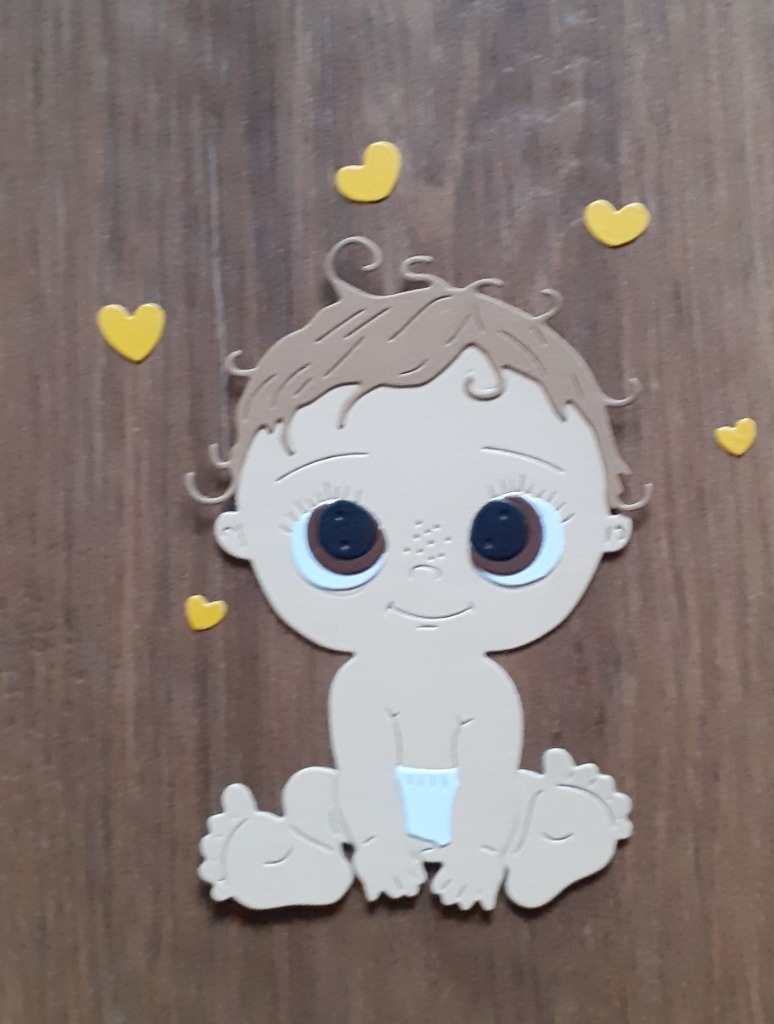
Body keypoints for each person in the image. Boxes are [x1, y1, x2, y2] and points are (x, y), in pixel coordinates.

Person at [190, 237, 648, 912]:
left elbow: (487, 775)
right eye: (342, 537)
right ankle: (309, 862)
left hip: (483, 820)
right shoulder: (364, 684)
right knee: (314, 792)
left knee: (521, 796)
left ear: (605, 531)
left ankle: (554, 839)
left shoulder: (482, 688)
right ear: (243, 535)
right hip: (369, 817)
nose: (426, 573)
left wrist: (478, 854)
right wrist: (377, 846)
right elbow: (364, 772)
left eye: (505, 537)